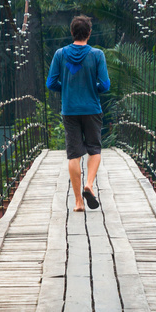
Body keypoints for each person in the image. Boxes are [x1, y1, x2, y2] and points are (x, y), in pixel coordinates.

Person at [46, 14, 110, 212]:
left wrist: (67, 88)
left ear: (72, 32)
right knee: (94, 150)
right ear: (89, 33)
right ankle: (89, 184)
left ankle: (78, 202)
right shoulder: (97, 55)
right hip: (92, 109)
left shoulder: (60, 54)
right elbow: (105, 85)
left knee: (74, 155)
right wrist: (91, 88)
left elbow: (51, 83)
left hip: (70, 110)